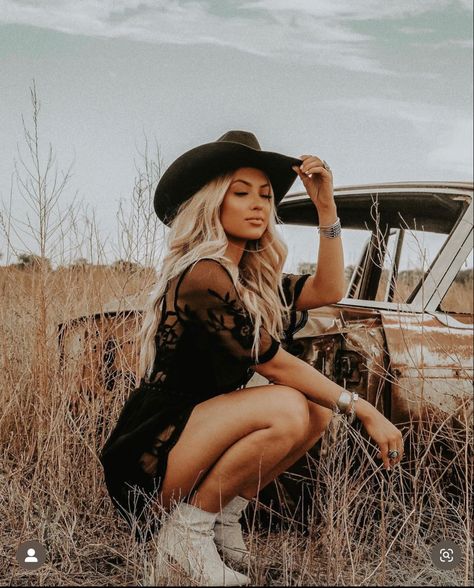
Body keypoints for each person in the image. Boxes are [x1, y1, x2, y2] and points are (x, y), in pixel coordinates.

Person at [99, 130, 404, 586]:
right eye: (241, 193)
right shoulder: (203, 275)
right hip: (152, 452)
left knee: (315, 408)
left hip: (195, 438)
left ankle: (219, 517)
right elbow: (273, 363)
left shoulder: (248, 279)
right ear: (213, 203)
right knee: (285, 402)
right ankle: (184, 539)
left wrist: (327, 211)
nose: (259, 204)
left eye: (265, 195)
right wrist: (362, 408)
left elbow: (329, 290)